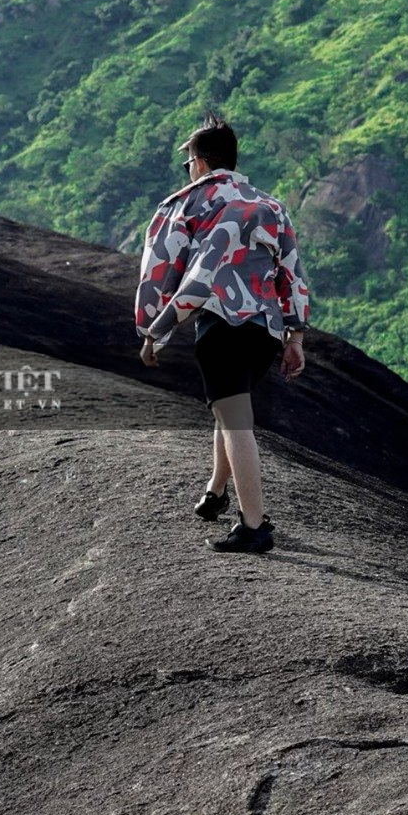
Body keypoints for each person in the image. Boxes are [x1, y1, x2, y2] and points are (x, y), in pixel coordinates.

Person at [134, 111, 313, 553]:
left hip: (222, 326)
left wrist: (153, 330)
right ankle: (215, 493)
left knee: (236, 422)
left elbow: (160, 272)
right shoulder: (271, 206)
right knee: (227, 405)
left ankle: (254, 526)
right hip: (265, 332)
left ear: (198, 162)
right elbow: (292, 273)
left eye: (187, 164)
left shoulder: (184, 204)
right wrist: (295, 338)